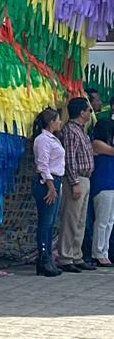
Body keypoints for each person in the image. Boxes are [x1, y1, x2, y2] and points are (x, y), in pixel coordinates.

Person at [58, 96, 95, 273]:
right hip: (76, 178)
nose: (90, 113)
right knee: (71, 218)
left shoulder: (81, 130)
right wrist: (74, 182)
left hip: (85, 178)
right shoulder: (71, 131)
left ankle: (76, 254)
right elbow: (69, 158)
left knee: (80, 220)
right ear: (81, 112)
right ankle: (65, 257)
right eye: (88, 110)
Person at [32, 108, 66, 276]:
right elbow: (43, 164)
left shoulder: (53, 139)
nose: (60, 123)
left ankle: (48, 259)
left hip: (56, 179)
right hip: (46, 180)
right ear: (51, 122)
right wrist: (51, 186)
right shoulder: (43, 139)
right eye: (58, 120)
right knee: (45, 222)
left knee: (51, 221)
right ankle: (43, 257)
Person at [90, 117, 114, 266]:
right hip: (102, 185)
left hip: (111, 185)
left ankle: (104, 251)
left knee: (110, 221)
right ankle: (98, 252)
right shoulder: (97, 144)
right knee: (102, 221)